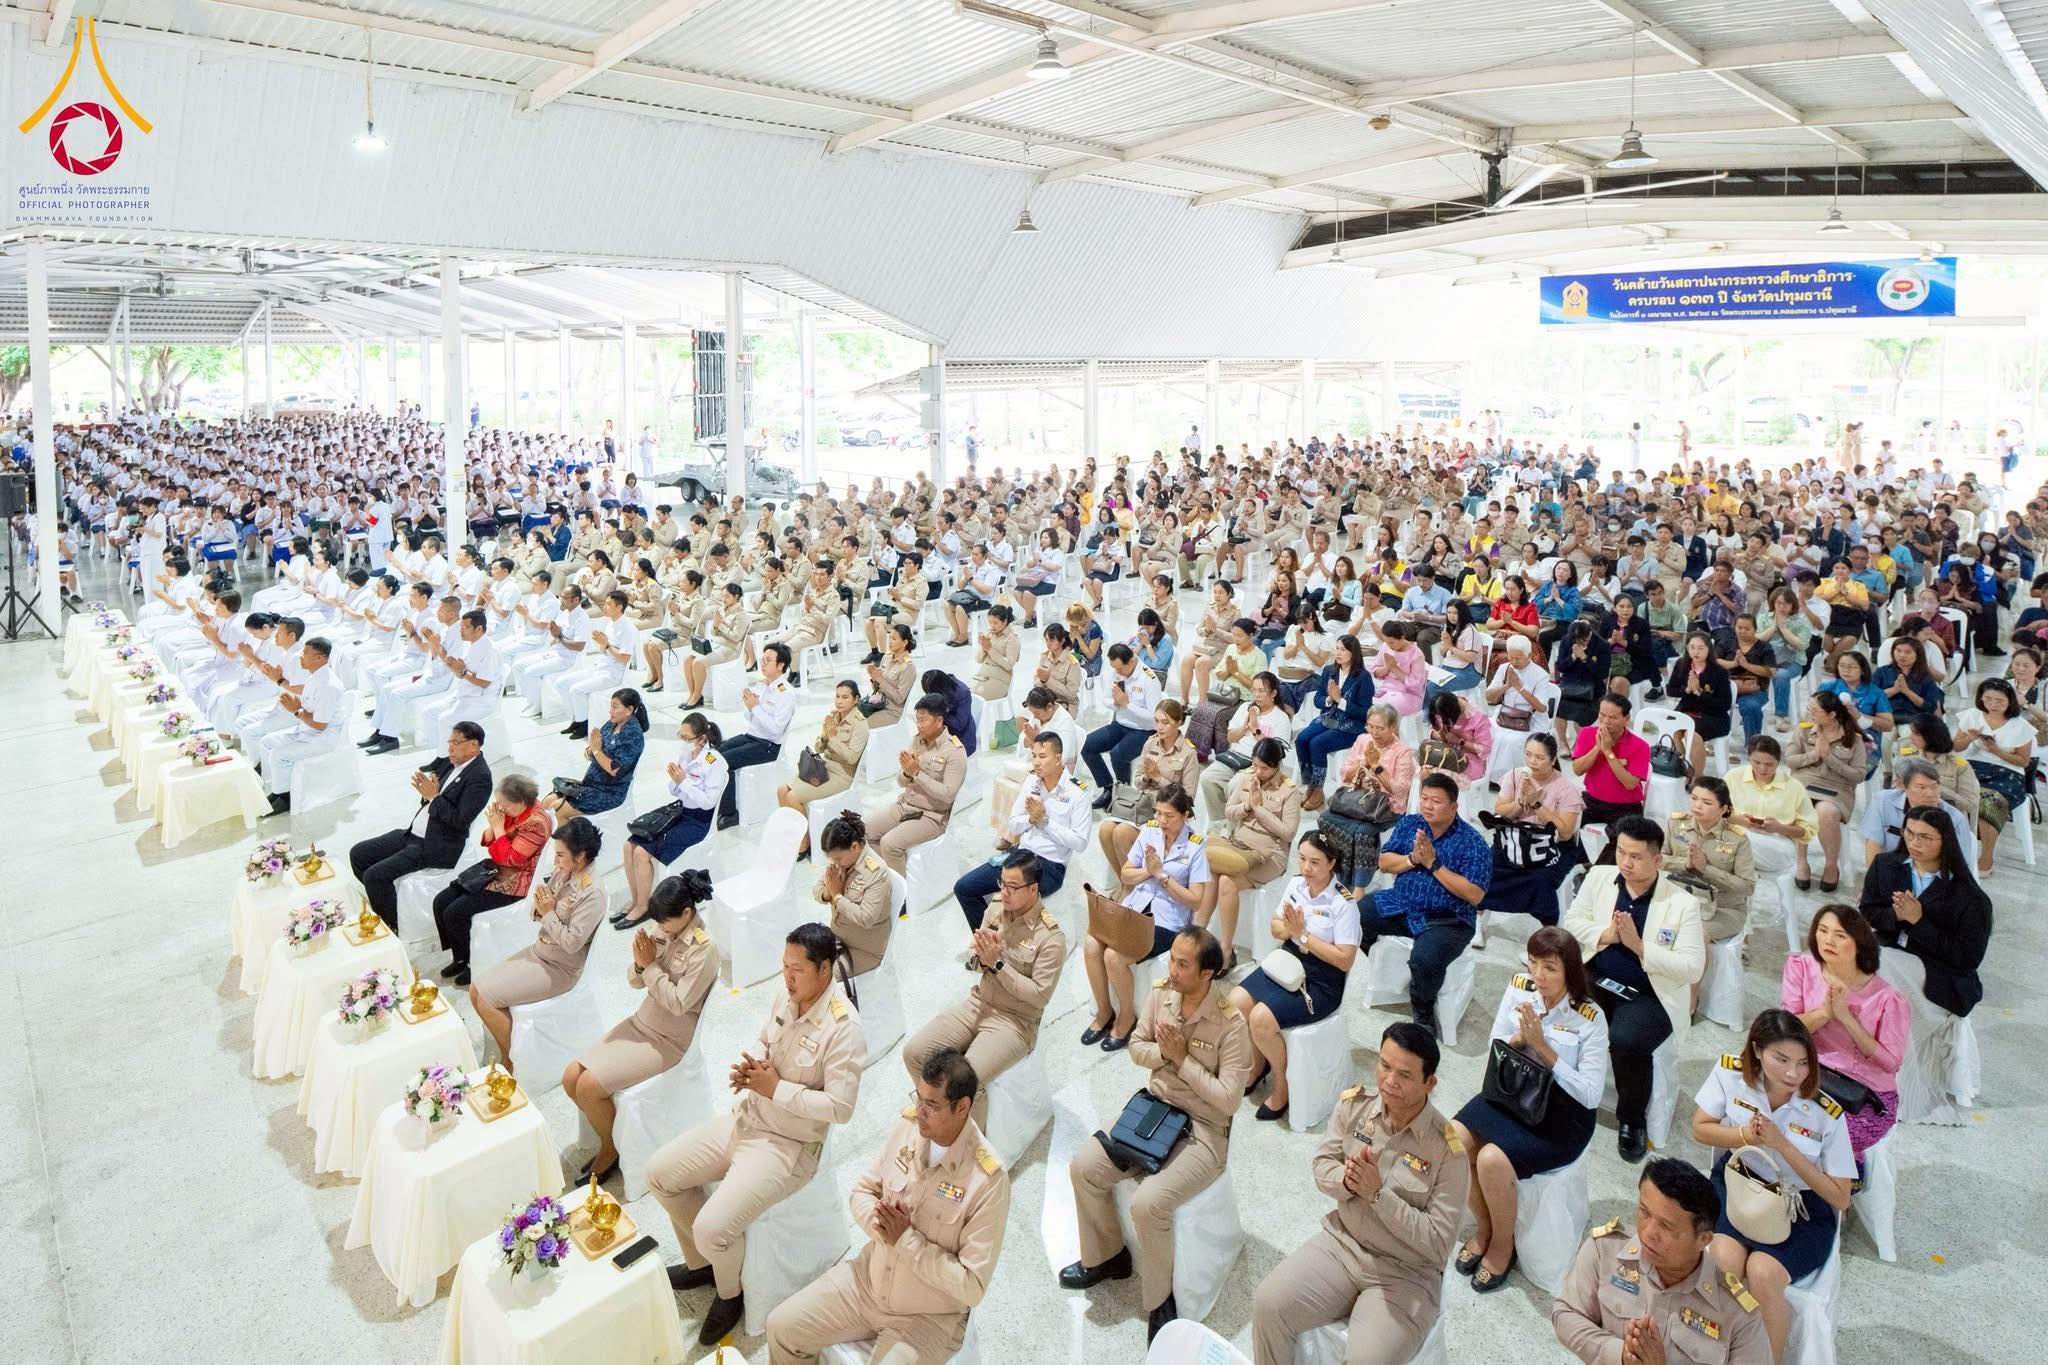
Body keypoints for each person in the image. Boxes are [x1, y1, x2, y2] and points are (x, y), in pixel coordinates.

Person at [648, 924, 865, 1347]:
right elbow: (766, 1037)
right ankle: (704, 1264)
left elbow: (841, 1109)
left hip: (788, 1144)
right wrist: (752, 1066)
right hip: (747, 1116)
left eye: (797, 970)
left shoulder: (844, 1028)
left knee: (713, 1229)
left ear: (825, 970)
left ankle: (731, 1294)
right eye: (784, 967)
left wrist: (776, 1088)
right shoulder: (787, 994)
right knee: (660, 1175)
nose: (787, 978)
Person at [1060, 927, 1251, 1344]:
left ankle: (1160, 1302)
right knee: (1083, 1167)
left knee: (1148, 1205)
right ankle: (1108, 1256)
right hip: (1154, 1109)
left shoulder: (1231, 1024)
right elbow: (1137, 1047)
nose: (1173, 969)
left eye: (1183, 964)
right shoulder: (1162, 993)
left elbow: (1228, 1101)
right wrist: (1164, 1054)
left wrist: (1182, 1061)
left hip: (1203, 1129)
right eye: (1173, 960)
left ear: (1208, 974)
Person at [763, 1050, 1008, 1365]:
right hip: (867, 1280)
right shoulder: (908, 1126)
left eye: (931, 1105)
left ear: (962, 1107)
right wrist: (881, 1223)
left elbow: (972, 1287)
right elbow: (862, 1191)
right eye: (918, 1098)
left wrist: (905, 1239)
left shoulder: (987, 1181)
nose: (919, 1111)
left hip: (926, 1317)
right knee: (781, 1328)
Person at [1250, 1022, 1469, 1365]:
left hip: (1404, 1274)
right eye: (1384, 1065)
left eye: (1405, 1075)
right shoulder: (1356, 1107)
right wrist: (1351, 1181)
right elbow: (1322, 1166)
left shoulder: (1448, 1152)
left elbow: (1439, 1242)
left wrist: (1379, 1195)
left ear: (1430, 1083)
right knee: (1268, 1304)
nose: (1389, 1081)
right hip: (1342, 1243)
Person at [1690, 1010, 1856, 1363]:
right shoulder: (1730, 1073)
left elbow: (1841, 1198)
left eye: (1803, 1062)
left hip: (1803, 1209)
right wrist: (1742, 1135)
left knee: (1763, 1274)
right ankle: (1712, 1353)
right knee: (1722, 1260)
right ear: (1757, 1051)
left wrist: (1783, 1146)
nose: (1793, 1073)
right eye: (1781, 1059)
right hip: (1738, 1185)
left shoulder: (1826, 1113)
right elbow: (1700, 1128)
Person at [1450, 927, 1609, 1292]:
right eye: (1534, 963)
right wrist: (1519, 1040)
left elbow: (1589, 1095)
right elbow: (1494, 1044)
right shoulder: (1521, 988)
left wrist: (1545, 1049)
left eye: (1550, 968)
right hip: (1514, 1091)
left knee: (1491, 1159)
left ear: (1570, 970)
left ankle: (1504, 1245)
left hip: (1561, 1115)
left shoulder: (1590, 1016)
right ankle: (1486, 1226)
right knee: (1454, 1139)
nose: (1539, 975)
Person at [1559, 816, 1705, 1161]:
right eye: (1621, 852)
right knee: (1564, 1013)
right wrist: (1607, 935)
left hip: (1649, 992)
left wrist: (1639, 947)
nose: (1625, 862)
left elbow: (1692, 967)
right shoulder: (1600, 878)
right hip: (1596, 976)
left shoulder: (1682, 904)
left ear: (1658, 860)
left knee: (1627, 1041)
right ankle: (1565, 1093)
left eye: (1636, 856)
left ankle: (1631, 1119)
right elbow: (1572, 922)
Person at [564, 870, 720, 1183]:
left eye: (665, 922)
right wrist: (640, 964)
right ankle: (610, 1133)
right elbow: (634, 982)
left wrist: (650, 967)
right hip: (641, 1022)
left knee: (589, 1086)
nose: (659, 928)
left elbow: (678, 1003)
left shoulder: (704, 950)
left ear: (686, 914)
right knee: (571, 1076)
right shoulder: (664, 929)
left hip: (668, 1041)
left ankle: (612, 1149)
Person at [901, 849, 1068, 1134]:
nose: (1004, 892)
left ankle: (969, 1146)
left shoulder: (1051, 938)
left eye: (1013, 887)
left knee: (967, 1082)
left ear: (1033, 889)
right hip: (978, 1002)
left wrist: (999, 964)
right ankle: (936, 1114)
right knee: (914, 1052)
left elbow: (1039, 995)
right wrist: (978, 955)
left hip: (1014, 1023)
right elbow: (974, 957)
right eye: (1002, 883)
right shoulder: (994, 910)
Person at [1551, 1158, 1770, 1364]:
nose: (1649, 1232)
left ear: (1703, 1240)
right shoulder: (1606, 1249)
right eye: (1644, 1212)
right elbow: (1566, 1314)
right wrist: (1622, 1356)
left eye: (1667, 1226)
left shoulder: (1739, 1316)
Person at [1230, 830, 1361, 1122]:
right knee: (1236, 1002)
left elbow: (1344, 960)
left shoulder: (1343, 904)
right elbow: (1276, 927)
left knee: (1261, 1019)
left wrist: (1302, 935)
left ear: (1332, 863)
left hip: (1322, 979)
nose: (1306, 868)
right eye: (1302, 859)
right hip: (1288, 961)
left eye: (1315, 862)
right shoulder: (1296, 885)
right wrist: (1292, 932)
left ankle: (1283, 1083)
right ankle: (1257, 1064)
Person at [1356, 773, 1492, 1039]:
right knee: (1355, 915)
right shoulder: (1410, 824)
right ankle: (1381, 967)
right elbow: (1384, 862)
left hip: (1447, 919)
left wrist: (1434, 864)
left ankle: (1423, 1009)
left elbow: (1474, 895)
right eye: (1424, 799)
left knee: (1424, 960)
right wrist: (1413, 859)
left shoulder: (1473, 842)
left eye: (1437, 801)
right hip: (1402, 904)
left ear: (1454, 806)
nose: (1428, 806)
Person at [1080, 784, 1211, 1051]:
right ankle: (1104, 1011)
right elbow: (1127, 874)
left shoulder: (1195, 847)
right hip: (1134, 908)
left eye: (1169, 816)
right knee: (1092, 944)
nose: (1162, 821)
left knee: (1113, 956)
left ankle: (1126, 1018)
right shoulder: (1150, 831)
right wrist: (1149, 872)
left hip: (1166, 922)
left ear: (1185, 815)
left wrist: (1162, 876)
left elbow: (1196, 899)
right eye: (1159, 813)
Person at [470, 817, 606, 1062]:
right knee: (475, 989)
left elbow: (571, 943)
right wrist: (542, 910)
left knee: (488, 1000)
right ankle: (509, 1046)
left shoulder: (592, 892)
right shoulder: (564, 871)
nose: (555, 861)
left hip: (561, 966)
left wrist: (549, 913)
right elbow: (538, 909)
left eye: (561, 855)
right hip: (540, 951)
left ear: (582, 855)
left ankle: (512, 1061)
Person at [1780, 903, 1910, 1157]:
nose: (1828, 940)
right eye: (1823, 930)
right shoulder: (1801, 966)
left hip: (1863, 1093)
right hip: (1807, 1075)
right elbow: (1786, 1030)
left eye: (1840, 935)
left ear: (1860, 943)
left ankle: (1838, 1186)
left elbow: (1890, 1063)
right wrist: (1824, 1014)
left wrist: (1846, 1019)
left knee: (1821, 1140)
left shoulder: (1887, 998)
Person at [348, 723, 493, 931]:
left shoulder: (480, 778)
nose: (450, 748)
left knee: (375, 875)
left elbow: (460, 821)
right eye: (449, 742)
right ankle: (385, 901)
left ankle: (393, 926)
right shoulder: (451, 763)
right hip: (413, 833)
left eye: (455, 743)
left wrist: (434, 797)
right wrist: (429, 796)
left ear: (473, 745)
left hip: (435, 844)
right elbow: (431, 800)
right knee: (359, 854)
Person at [1858, 804, 1992, 1024]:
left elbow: (1966, 959)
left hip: (1938, 973)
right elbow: (1868, 911)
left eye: (1925, 837)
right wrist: (1896, 915)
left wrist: (1919, 922)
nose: (1914, 843)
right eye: (1909, 833)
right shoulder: (1885, 865)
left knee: (1883, 994)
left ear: (1946, 841)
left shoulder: (1971, 899)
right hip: (1889, 953)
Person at [955, 732, 1090, 928]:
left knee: (1008, 903)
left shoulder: (1077, 793)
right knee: (964, 887)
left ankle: (1005, 947)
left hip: (1050, 866)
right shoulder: (1031, 781)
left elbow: (1080, 843)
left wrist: (1044, 821)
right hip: (1021, 854)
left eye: (1042, 756)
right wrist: (1031, 818)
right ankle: (987, 946)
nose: (1036, 762)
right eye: (1034, 756)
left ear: (1058, 758)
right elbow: (1013, 824)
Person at [430, 773, 551, 985]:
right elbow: (487, 841)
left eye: (504, 804)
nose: (500, 808)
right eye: (498, 803)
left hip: (515, 881)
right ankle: (460, 957)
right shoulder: (515, 811)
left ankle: (471, 963)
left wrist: (498, 827)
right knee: (441, 902)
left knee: (455, 913)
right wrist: (496, 825)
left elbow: (511, 859)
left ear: (521, 801)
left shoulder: (536, 823)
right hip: (495, 870)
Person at [616, 712, 726, 928]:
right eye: (681, 736)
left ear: (702, 738)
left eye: (687, 738)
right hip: (680, 812)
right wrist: (678, 782)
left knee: (641, 852)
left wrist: (683, 782)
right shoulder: (686, 754)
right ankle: (637, 898)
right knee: (629, 845)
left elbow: (708, 802)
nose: (683, 742)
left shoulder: (715, 763)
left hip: (699, 822)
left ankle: (644, 907)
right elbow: (674, 790)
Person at [1202, 737, 1305, 959]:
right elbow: (1229, 811)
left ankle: (1226, 950)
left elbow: (1288, 832)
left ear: (1276, 766)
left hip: (1269, 853)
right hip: (1239, 844)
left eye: (1264, 768)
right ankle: (1199, 934)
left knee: (1227, 881)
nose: (1258, 771)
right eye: (1255, 765)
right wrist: (1247, 805)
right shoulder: (1248, 777)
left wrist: (1258, 810)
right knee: (1211, 871)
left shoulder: (1289, 791)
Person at [1479, 732, 1584, 928]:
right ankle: (1477, 918)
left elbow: (1566, 832)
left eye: (1539, 757)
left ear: (1553, 760)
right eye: (1528, 755)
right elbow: (1500, 811)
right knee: (1485, 868)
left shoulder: (1567, 789)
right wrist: (1521, 803)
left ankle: (1548, 932)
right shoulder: (1514, 775)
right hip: (1514, 839)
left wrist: (1537, 805)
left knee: (1541, 880)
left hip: (1552, 846)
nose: (1532, 761)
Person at [865, 693, 969, 877]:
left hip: (931, 817)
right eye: (917, 720)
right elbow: (900, 781)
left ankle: (903, 896)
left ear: (939, 721)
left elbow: (948, 795)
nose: (918, 725)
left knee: (889, 843)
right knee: (864, 830)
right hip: (905, 805)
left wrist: (917, 774)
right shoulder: (917, 741)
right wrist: (906, 773)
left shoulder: (954, 752)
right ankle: (892, 875)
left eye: (923, 720)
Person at [1094, 700, 1200, 871]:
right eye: (1157, 721)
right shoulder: (1151, 743)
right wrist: (1146, 778)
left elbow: (1188, 799)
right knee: (1105, 830)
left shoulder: (1188, 753)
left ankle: (1133, 885)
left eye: (1166, 722)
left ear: (1179, 722)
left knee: (1122, 832)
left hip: (1166, 814)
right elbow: (1136, 781)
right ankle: (1126, 882)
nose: (1160, 727)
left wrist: (1159, 779)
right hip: (1142, 807)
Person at [1785, 691, 1867, 892]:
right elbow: (1789, 760)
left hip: (1837, 788)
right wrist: (1814, 755)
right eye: (1809, 708)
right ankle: (1801, 861)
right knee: (1799, 802)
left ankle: (1831, 865)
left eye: (1814, 710)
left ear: (1831, 714)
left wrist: (1829, 757)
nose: (1809, 713)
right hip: (1805, 783)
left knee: (1826, 812)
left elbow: (1858, 775)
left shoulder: (1852, 739)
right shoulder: (1804, 731)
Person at [1954, 676, 2035, 875]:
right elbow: (1955, 747)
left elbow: (2023, 761)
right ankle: (1953, 850)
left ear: (2010, 701)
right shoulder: (1972, 715)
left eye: (1999, 700)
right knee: (1947, 794)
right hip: (1972, 767)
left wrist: (1996, 750)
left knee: (1989, 803)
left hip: (2007, 774)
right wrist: (1970, 738)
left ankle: (1986, 856)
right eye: (1988, 699)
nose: (1992, 704)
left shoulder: (2020, 725)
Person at [1661, 776, 1757, 944]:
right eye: (1694, 798)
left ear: (1723, 809)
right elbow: (1657, 859)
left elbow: (1748, 887)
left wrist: (1706, 869)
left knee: (1689, 936)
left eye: (1707, 802)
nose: (1697, 806)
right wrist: (1685, 864)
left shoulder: (1737, 840)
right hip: (1679, 899)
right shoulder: (1675, 824)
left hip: (1723, 909)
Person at [256, 635, 345, 815]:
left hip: (322, 737)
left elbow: (320, 725)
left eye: (305, 653)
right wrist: (290, 699)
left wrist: (296, 710)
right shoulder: (316, 675)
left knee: (280, 755)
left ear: (319, 658)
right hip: (306, 730)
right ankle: (277, 789)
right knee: (266, 742)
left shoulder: (328, 685)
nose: (300, 657)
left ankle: (285, 798)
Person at [714, 641, 798, 830]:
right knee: (715, 752)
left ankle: (729, 814)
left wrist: (755, 707)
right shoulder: (762, 685)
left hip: (768, 746)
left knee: (723, 761)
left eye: (768, 660)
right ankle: (716, 800)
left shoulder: (786, 693)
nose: (763, 663)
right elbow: (751, 718)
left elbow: (775, 730)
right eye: (762, 659)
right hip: (751, 736)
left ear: (781, 666)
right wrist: (750, 705)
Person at [779, 681, 871, 851]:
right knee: (782, 791)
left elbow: (852, 758)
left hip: (843, 775)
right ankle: (793, 833)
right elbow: (819, 748)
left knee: (793, 797)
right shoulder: (834, 716)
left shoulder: (860, 724)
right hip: (823, 767)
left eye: (845, 697)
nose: (839, 701)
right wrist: (824, 735)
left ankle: (804, 843)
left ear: (856, 699)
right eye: (837, 696)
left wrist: (833, 737)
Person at [1861, 746, 1980, 870]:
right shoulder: (1882, 801)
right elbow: (1873, 845)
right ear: (1902, 785)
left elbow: (1960, 868)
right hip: (1890, 872)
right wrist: (1874, 883)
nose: (1930, 794)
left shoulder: (1955, 819)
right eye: (1921, 787)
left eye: (1935, 786)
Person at [542, 688, 646, 822]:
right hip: (591, 784)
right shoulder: (611, 724)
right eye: (610, 706)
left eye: (615, 707)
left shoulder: (633, 735)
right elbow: (591, 752)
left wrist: (596, 750)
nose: (610, 711)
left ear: (629, 710)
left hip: (609, 792)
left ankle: (563, 842)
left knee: (558, 809)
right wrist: (591, 750)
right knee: (547, 801)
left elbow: (616, 770)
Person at [1296, 634, 1376, 810]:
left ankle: (1318, 790)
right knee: (1301, 739)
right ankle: (1311, 784)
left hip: (1351, 725)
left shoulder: (1363, 678)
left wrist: (1341, 701)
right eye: (1337, 648)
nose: (1338, 653)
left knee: (1317, 744)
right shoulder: (1329, 671)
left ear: (1353, 653)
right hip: (1328, 718)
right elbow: (1318, 699)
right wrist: (1329, 700)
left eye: (1343, 650)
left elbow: (1365, 712)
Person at [810, 810, 893, 979]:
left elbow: (867, 918)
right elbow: (817, 890)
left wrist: (837, 897)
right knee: (805, 963)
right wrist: (829, 893)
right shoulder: (842, 860)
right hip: (838, 938)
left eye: (838, 858)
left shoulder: (876, 872)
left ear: (854, 847)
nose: (834, 863)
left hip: (865, 949)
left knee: (821, 978)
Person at [1081, 642, 1164, 803]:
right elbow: (1105, 699)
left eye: (1120, 668)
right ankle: (1108, 787)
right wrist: (1116, 704)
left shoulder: (1149, 679)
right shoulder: (1118, 672)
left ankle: (1124, 796)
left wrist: (1127, 705)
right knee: (1087, 745)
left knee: (1118, 755)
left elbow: (1155, 718)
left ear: (1131, 661)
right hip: (1120, 725)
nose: (1117, 672)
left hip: (1143, 731)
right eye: (1114, 668)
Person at [1569, 694, 1649, 838]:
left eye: (1612, 718)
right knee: (1567, 826)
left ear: (1626, 719)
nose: (1605, 722)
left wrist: (1608, 752)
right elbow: (1577, 770)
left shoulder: (1640, 746)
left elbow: (1630, 784)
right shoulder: (1587, 734)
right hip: (1592, 800)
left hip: (1626, 806)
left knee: (1620, 842)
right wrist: (1597, 748)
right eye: (1602, 715)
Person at [1668, 630, 1733, 778]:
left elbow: (1724, 704)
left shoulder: (1719, 672)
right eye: (1692, 647)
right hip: (1687, 710)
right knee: (1674, 730)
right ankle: (1683, 769)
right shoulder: (1682, 664)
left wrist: (1698, 692)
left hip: (1713, 716)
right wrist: (1687, 689)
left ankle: (1697, 777)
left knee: (1693, 734)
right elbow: (1671, 690)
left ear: (1709, 649)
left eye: (1700, 648)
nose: (1695, 652)